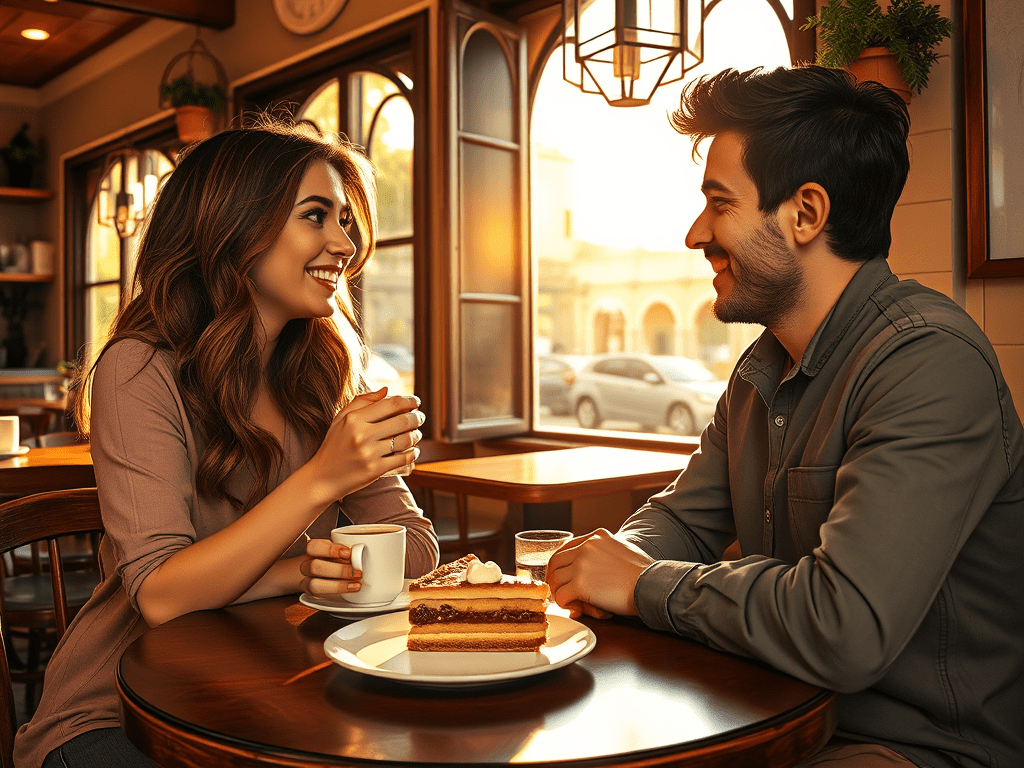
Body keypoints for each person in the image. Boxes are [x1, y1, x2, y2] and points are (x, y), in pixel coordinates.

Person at [547, 66, 1024, 768]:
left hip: (915, 746)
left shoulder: (929, 362)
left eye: (719, 204)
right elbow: (682, 520)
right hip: (771, 711)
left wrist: (641, 583)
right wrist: (602, 566)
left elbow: (846, 624)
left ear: (806, 213)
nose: (694, 233)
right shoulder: (758, 371)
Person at [14, 118, 440, 767]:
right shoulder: (139, 368)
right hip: (117, 709)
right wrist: (321, 489)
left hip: (275, 691)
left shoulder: (329, 376)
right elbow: (160, 595)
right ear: (234, 227)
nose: (345, 245)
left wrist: (296, 569)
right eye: (316, 216)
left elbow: (414, 550)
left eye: (346, 221)